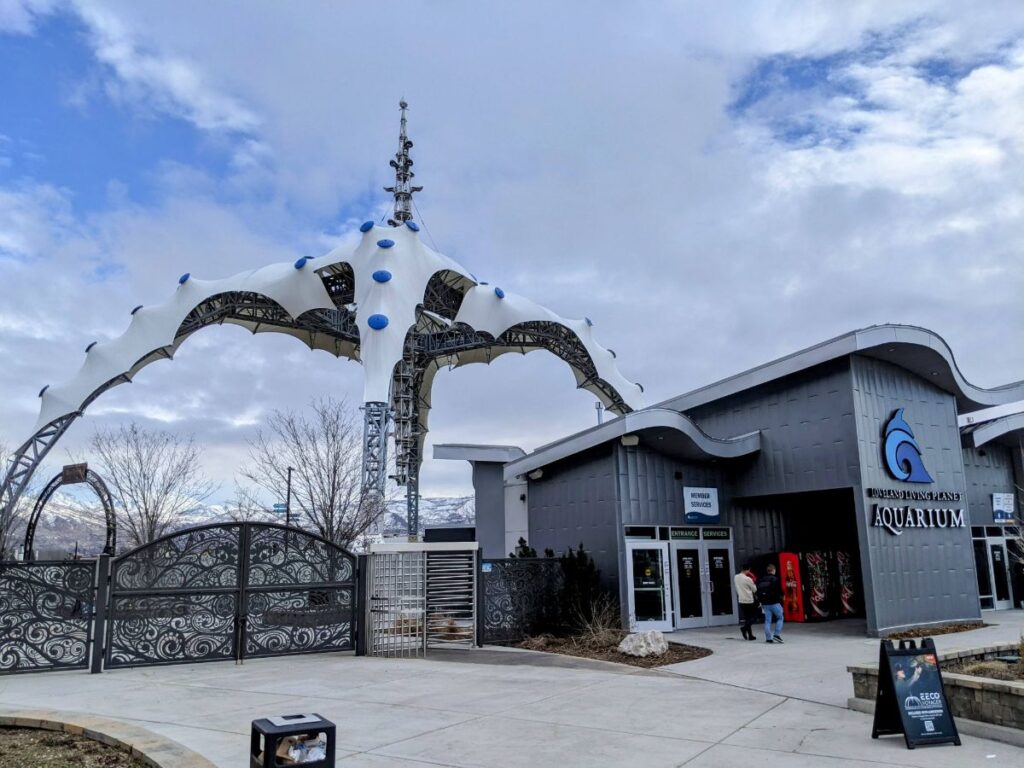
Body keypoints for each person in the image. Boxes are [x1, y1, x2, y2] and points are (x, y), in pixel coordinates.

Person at [756, 563, 785, 643]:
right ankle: (777, 634)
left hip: (765, 603)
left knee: (767, 620)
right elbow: (779, 590)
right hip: (774, 602)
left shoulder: (761, 579)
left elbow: (757, 591)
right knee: (780, 618)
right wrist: (783, 595)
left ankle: (768, 638)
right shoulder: (775, 579)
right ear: (773, 570)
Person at [733, 564, 758, 640]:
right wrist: (751, 576)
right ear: (748, 570)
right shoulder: (748, 579)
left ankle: (750, 635)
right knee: (754, 617)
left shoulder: (736, 577)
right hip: (749, 600)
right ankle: (744, 628)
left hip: (741, 599)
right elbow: (754, 589)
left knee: (747, 618)